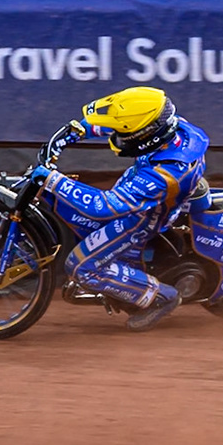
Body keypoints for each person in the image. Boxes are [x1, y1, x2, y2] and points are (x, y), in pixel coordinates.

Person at [33, 86, 208, 331]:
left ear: (145, 137)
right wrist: (77, 130)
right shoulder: (165, 123)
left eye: (126, 137)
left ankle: (162, 297)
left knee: (80, 267)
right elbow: (120, 124)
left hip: (142, 218)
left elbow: (103, 207)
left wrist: (54, 180)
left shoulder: (164, 174)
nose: (119, 139)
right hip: (150, 190)